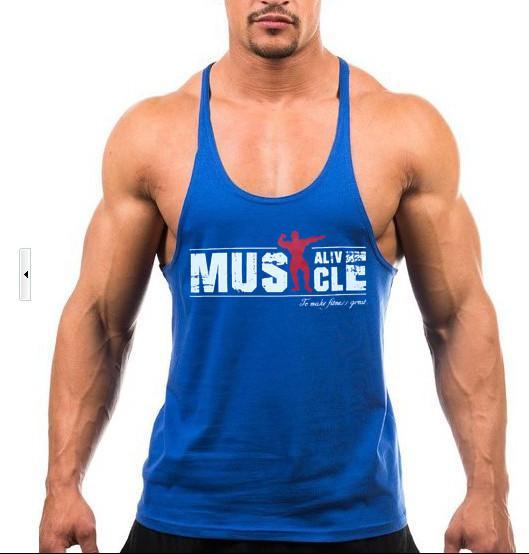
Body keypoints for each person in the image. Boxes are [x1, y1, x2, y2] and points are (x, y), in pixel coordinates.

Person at [39, 1, 515, 553]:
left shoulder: (401, 131)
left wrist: (488, 491)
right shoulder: (154, 135)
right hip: (185, 516)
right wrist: (61, 486)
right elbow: (100, 321)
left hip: (357, 521)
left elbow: (458, 319)